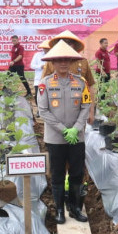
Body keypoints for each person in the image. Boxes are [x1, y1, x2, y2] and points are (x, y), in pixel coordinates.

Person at [38, 40, 91, 224]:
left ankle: (75, 208)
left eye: (66, 60)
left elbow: (86, 106)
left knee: (77, 173)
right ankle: (60, 210)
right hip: (55, 139)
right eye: (59, 60)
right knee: (58, 174)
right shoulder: (45, 84)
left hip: (77, 138)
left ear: (71, 62)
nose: (63, 63)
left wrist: (76, 129)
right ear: (52, 63)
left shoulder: (80, 82)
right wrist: (63, 130)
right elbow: (43, 111)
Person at [42, 30, 96, 123]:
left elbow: (90, 86)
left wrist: (91, 112)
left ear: (74, 45)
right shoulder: (51, 62)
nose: (66, 45)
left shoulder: (83, 62)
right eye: (63, 42)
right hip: (55, 110)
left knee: (77, 135)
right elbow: (43, 87)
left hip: (78, 111)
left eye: (69, 42)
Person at [30, 40, 50, 108]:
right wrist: (40, 67)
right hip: (38, 79)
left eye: (47, 48)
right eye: (44, 48)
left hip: (49, 79)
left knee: (47, 95)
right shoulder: (37, 55)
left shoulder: (52, 55)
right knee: (38, 95)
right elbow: (32, 65)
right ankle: (39, 109)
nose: (46, 49)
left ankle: (46, 109)